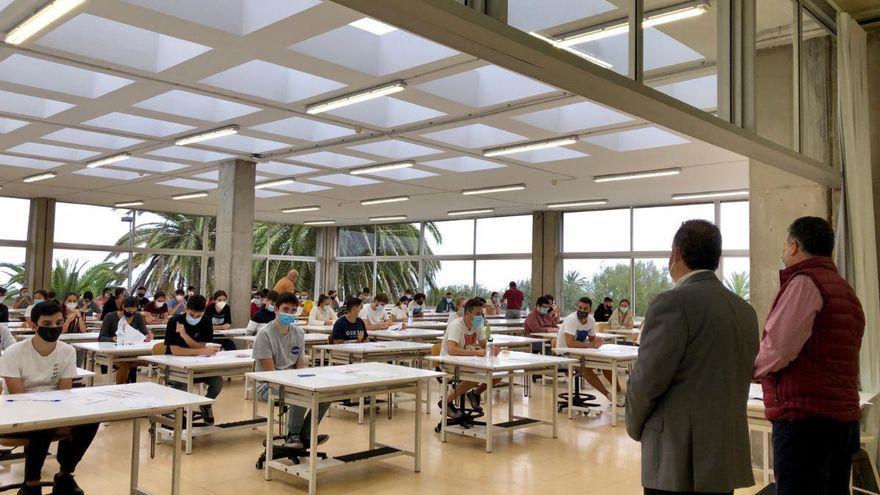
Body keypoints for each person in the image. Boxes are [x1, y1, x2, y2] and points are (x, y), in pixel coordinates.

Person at [626, 219, 758, 495]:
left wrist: (634, 426)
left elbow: (647, 380)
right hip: (724, 450)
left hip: (678, 455)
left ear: (675, 253)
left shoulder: (671, 303)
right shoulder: (744, 310)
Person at [753, 216, 864, 495]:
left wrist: (753, 370)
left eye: (784, 245)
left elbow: (779, 348)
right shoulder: (843, 288)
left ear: (793, 246)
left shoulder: (804, 283)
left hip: (805, 420)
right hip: (840, 417)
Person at [0, 301, 99, 495]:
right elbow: (19, 398)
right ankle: (31, 484)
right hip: (18, 413)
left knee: (91, 419)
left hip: (53, 409)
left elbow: (64, 393)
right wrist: (53, 419)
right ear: (33, 325)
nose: (54, 328)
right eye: (47, 324)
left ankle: (65, 474)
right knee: (42, 424)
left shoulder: (67, 352)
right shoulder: (14, 353)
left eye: (58, 323)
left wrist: (64, 417)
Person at [253, 292, 330, 449]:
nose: (289, 313)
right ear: (276, 309)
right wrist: (296, 383)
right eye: (285, 309)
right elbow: (270, 374)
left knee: (325, 394)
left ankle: (304, 435)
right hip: (268, 384)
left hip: (292, 380)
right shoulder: (264, 334)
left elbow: (299, 366)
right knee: (298, 392)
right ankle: (294, 435)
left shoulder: (298, 333)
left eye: (293, 310)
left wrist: (302, 380)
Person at [164, 295, 221, 424]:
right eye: (191, 314)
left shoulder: (206, 321)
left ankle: (206, 404)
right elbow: (175, 351)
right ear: (186, 309)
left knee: (217, 382)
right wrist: (201, 351)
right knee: (182, 385)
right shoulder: (175, 321)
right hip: (176, 368)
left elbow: (202, 344)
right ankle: (179, 413)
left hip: (198, 366)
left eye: (198, 316)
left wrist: (184, 336)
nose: (194, 318)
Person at [439, 298, 500, 417]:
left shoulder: (477, 324)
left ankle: (475, 394)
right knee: (476, 376)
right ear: (467, 313)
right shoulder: (457, 325)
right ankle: (446, 401)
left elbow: (484, 343)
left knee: (498, 374)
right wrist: (477, 353)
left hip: (468, 361)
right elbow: (452, 350)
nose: (480, 316)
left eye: (481, 314)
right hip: (449, 362)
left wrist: (491, 347)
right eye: (477, 314)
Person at [555, 297, 622, 404]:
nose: (582, 310)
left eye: (585, 308)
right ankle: (608, 395)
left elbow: (592, 341)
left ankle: (619, 394)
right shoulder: (571, 320)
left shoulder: (591, 320)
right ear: (577, 307)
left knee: (606, 363)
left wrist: (597, 342)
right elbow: (570, 343)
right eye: (580, 307)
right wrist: (591, 344)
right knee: (584, 368)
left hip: (580, 354)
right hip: (563, 355)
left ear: (590, 310)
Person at [99, 296, 152, 384]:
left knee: (136, 362)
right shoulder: (110, 317)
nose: (131, 313)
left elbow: (144, 333)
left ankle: (131, 386)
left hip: (130, 351)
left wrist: (148, 336)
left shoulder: (137, 316)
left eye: (133, 311)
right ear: (123, 307)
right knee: (125, 365)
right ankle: (119, 386)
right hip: (114, 352)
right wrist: (112, 339)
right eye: (129, 310)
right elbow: (101, 337)